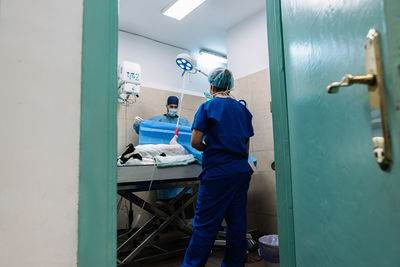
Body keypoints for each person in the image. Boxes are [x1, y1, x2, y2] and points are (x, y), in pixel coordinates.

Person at [181, 68, 254, 267]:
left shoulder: (207, 107)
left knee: (205, 225)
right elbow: (246, 148)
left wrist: (212, 148)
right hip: (241, 172)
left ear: (212, 85)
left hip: (218, 173)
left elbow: (195, 142)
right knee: (237, 224)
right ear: (230, 86)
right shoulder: (243, 110)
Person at [133, 95, 192, 200]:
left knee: (183, 195)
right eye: (171, 106)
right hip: (165, 163)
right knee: (167, 194)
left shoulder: (183, 122)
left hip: (180, 163)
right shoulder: (158, 120)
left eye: (175, 107)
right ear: (166, 106)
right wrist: (139, 125)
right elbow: (144, 131)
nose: (173, 109)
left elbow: (191, 136)